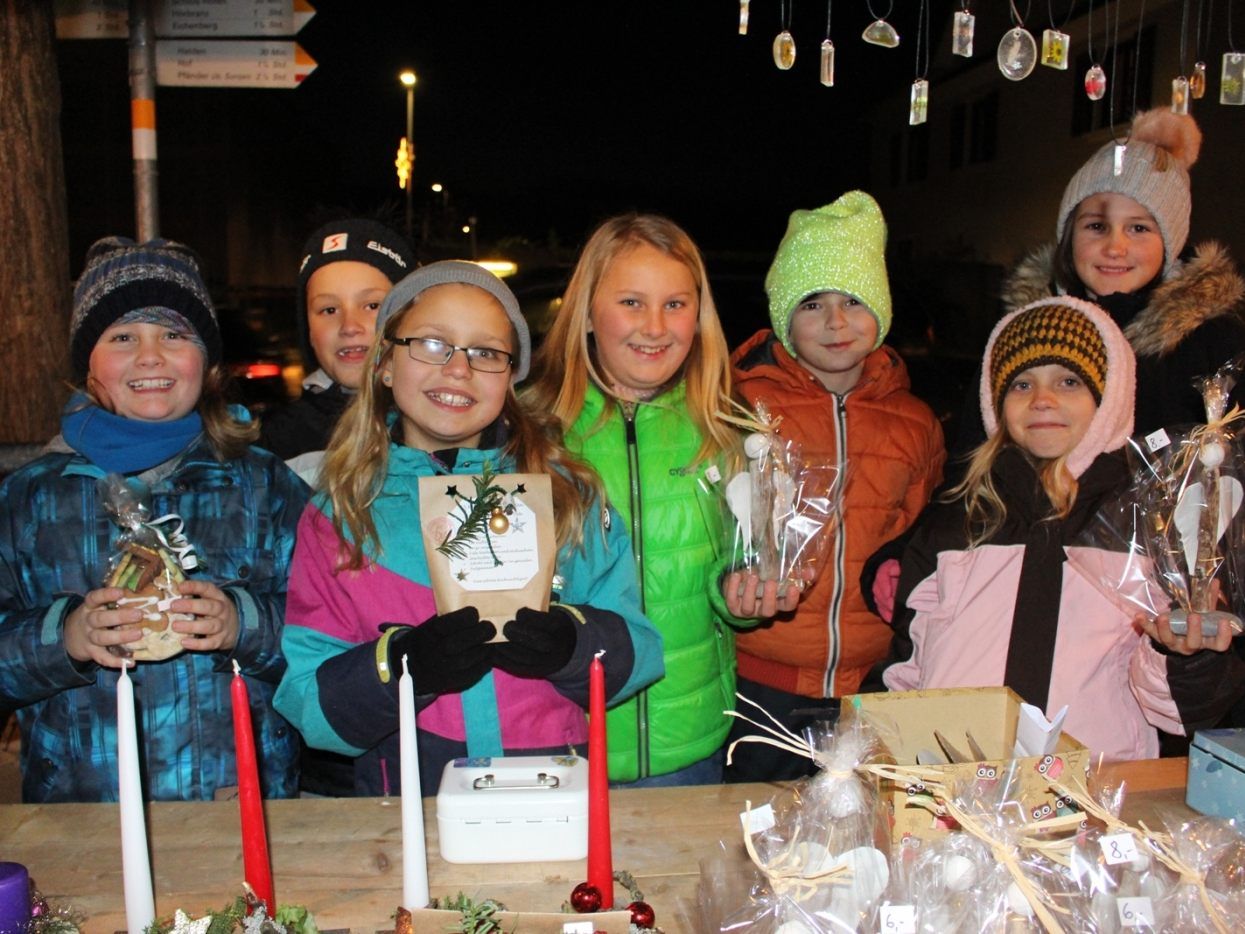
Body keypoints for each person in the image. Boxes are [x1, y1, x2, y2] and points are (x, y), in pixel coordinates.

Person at [273, 260, 663, 796]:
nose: (459, 369)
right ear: (385, 362)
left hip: (551, 795)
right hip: (412, 807)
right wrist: (402, 667)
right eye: (432, 344)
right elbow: (307, 704)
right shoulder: (342, 515)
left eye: (486, 352)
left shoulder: (566, 494)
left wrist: (571, 644)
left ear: (510, 377)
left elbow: (640, 651)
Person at [0, 237, 308, 802]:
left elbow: (333, 634)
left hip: (241, 814)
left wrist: (244, 623)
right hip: (85, 825)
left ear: (208, 363)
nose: (150, 356)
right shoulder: (25, 502)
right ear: (85, 363)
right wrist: (62, 637)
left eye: (174, 335)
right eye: (122, 338)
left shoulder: (266, 486)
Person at [883, 297, 1243, 761]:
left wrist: (1185, 655)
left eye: (1069, 381)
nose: (1042, 400)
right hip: (958, 788)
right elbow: (907, 664)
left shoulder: (1145, 525)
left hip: (1097, 787)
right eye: (1021, 383)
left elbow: (1176, 709)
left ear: (1108, 399)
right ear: (995, 404)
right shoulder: (957, 521)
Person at [721, 191, 945, 782]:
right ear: (784, 317)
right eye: (813, 303)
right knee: (758, 831)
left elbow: (924, 543)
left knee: (857, 839)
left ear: (882, 309)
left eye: (853, 300)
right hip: (760, 679)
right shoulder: (743, 407)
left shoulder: (915, 421)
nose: (836, 322)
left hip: (873, 683)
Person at [525, 214, 745, 786]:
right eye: (631, 301)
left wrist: (740, 594)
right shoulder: (533, 433)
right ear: (588, 313)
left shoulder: (724, 431)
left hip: (691, 742)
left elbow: (738, 561)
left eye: (676, 304)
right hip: (561, 745)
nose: (655, 326)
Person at [259, 217, 414, 483]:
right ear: (308, 329)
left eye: (372, 305)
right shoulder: (274, 445)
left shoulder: (444, 421)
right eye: (329, 310)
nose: (349, 326)